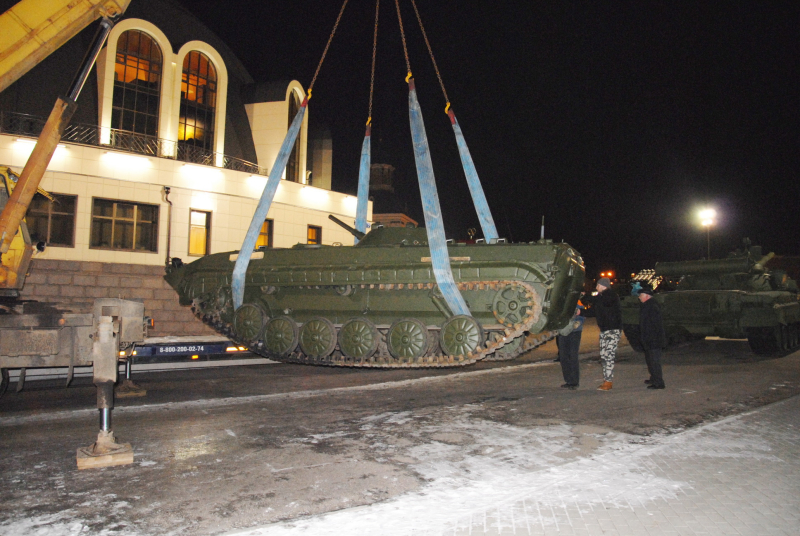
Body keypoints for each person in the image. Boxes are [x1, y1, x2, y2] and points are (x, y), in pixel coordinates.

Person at [585, 277, 622, 391]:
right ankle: (606, 380)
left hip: (612, 330)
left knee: (609, 356)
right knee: (604, 356)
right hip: (605, 330)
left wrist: (586, 296)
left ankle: (608, 382)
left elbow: (600, 301)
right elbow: (594, 310)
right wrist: (580, 312)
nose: (596, 287)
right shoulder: (601, 298)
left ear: (604, 286)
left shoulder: (610, 295)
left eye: (598, 285)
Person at [638, 287, 666, 389]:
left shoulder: (652, 306)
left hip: (653, 339)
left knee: (654, 361)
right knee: (650, 360)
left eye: (640, 295)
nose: (639, 297)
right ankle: (654, 378)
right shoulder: (648, 305)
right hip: (650, 339)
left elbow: (653, 325)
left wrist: (649, 338)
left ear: (646, 296)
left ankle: (659, 382)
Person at [557, 304, 585, 389]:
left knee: (573, 355)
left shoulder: (577, 303)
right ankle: (568, 380)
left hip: (574, 332)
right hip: (563, 331)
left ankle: (574, 382)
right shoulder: (561, 303)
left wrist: (578, 323)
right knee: (563, 356)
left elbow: (582, 316)